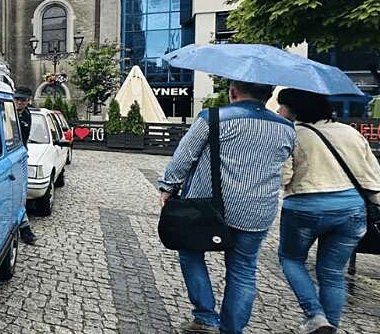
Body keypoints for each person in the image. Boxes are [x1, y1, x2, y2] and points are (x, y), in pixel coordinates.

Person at [158, 80, 296, 334]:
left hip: (207, 208)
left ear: (233, 92)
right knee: (243, 270)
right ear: (268, 96)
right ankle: (231, 330)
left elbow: (184, 155)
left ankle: (204, 317)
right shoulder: (286, 128)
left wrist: (168, 187)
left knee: (190, 251)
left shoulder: (213, 118)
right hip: (257, 211)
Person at [276, 89, 380, 334]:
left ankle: (316, 316)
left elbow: (284, 176)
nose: (279, 111)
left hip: (304, 208)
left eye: (282, 106)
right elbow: (372, 176)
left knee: (291, 259)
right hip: (351, 211)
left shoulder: (293, 134)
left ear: (293, 109)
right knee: (333, 273)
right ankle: (330, 326)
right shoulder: (350, 133)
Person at [14, 88, 36, 245]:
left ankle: (24, 229)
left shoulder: (26, 115)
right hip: (10, 156)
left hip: (19, 156)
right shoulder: (7, 111)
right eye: (17, 99)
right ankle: (25, 229)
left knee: (21, 194)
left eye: (23, 100)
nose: (19, 102)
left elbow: (22, 137)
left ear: (28, 101)